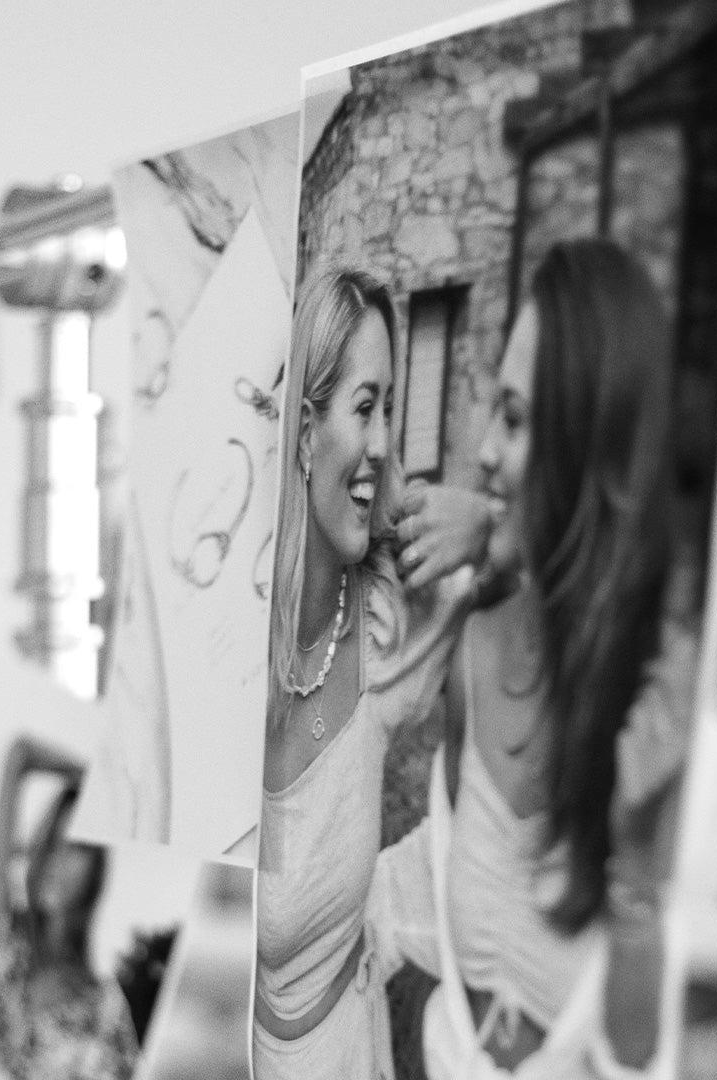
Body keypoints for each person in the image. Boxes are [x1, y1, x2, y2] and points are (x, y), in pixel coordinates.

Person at [369, 239, 689, 1077]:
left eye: (512, 420)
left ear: (586, 448)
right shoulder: (476, 644)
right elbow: (428, 887)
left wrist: (634, 870)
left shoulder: (663, 703)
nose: (481, 451)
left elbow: (640, 1055)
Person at [251, 266, 487, 1080]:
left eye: (392, 406)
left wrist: (493, 528)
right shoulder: (230, 652)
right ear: (304, 432)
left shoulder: (388, 623)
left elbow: (565, 590)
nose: (385, 442)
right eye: (365, 407)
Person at [0, 737, 138, 1079]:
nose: (57, 859)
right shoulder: (0, 942)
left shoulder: (104, 1012)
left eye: (76, 847)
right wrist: (96, 777)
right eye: (51, 842)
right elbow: (19, 754)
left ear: (96, 869)